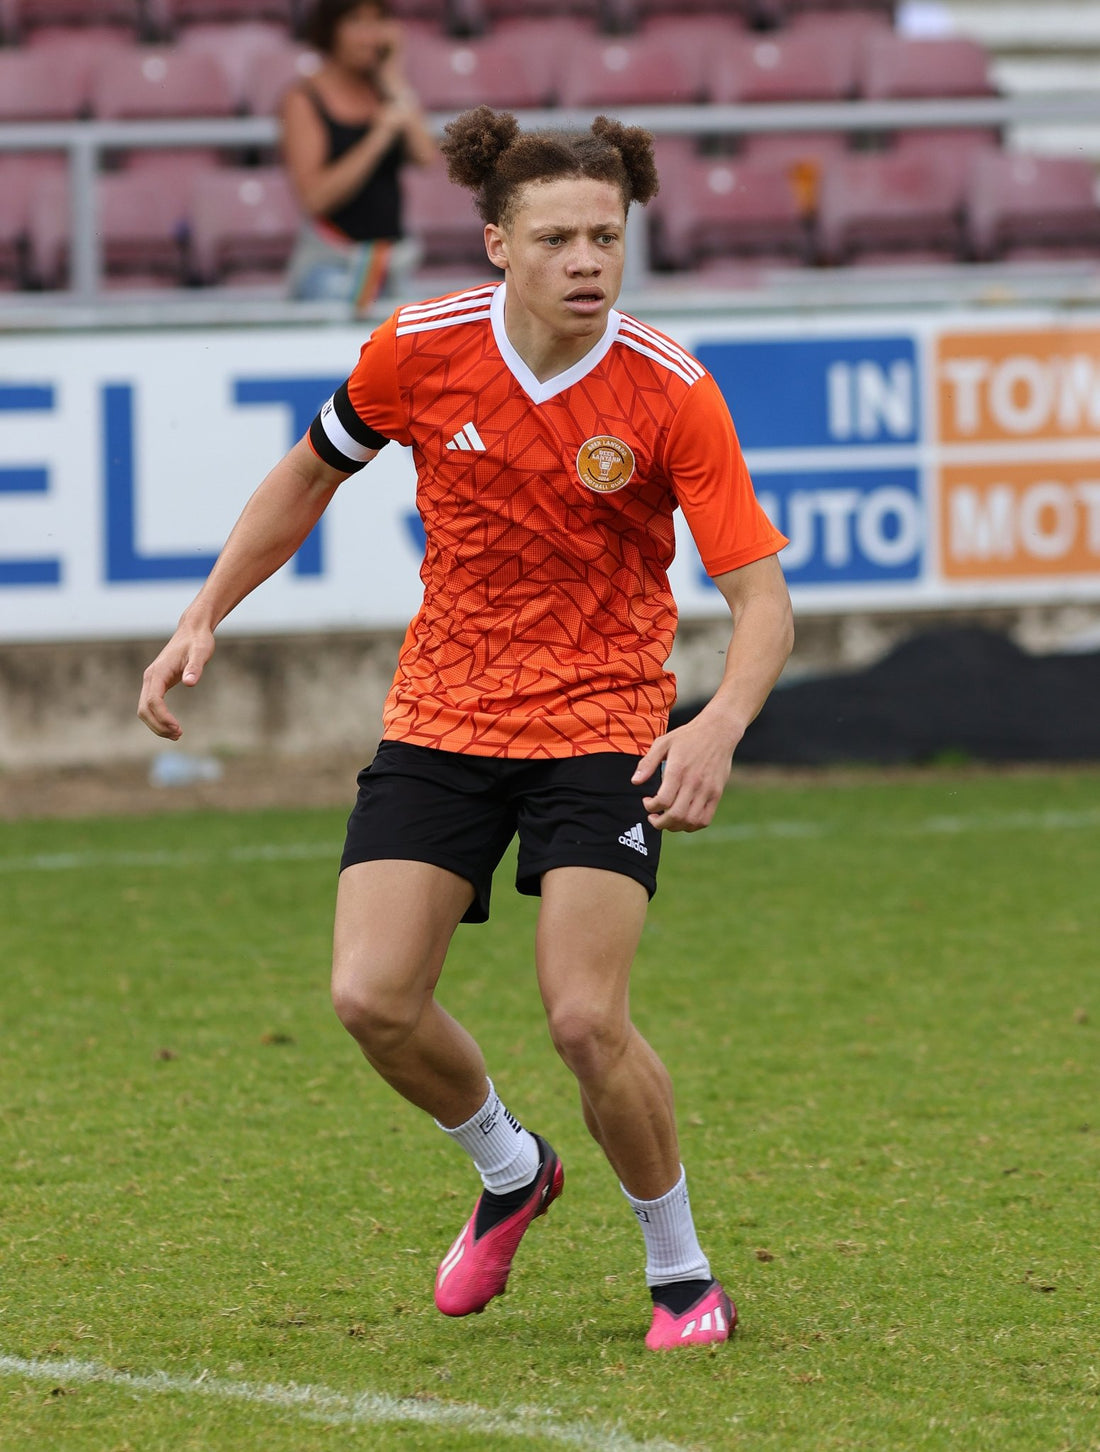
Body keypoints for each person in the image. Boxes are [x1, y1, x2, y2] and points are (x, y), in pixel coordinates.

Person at [138, 105, 793, 1350]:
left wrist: (715, 724)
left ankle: (680, 1270)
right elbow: (306, 475)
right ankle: (509, 1169)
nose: (587, 261)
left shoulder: (669, 390)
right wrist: (203, 613)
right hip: (443, 711)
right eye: (556, 238)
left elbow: (760, 598)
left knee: (583, 1019)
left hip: (602, 721)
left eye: (605, 235)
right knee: (370, 997)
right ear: (498, 243)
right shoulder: (419, 349)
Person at [282, 0, 436, 314]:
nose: (370, 36)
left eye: (377, 22)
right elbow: (314, 198)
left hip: (389, 265)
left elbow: (425, 154)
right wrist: (376, 138)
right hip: (331, 266)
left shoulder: (385, 90)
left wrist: (394, 78)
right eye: (356, 23)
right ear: (331, 29)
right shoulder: (303, 98)